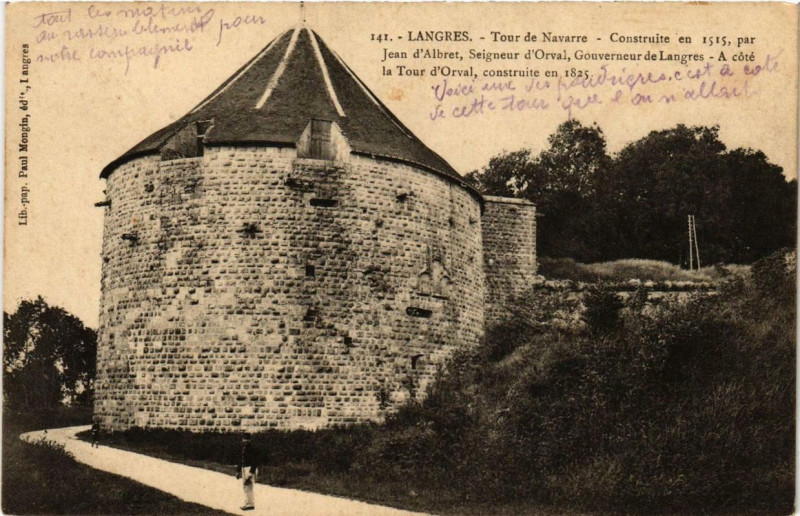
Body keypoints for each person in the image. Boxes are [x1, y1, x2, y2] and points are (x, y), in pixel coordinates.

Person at [236, 433, 258, 511]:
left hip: (249, 468)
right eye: (244, 439)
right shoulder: (243, 448)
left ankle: (250, 504)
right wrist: (238, 471)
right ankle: (248, 503)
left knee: (249, 486)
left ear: (250, 440)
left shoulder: (252, 449)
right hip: (244, 468)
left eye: (247, 439)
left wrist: (251, 472)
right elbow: (240, 460)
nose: (245, 440)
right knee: (245, 487)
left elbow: (254, 462)